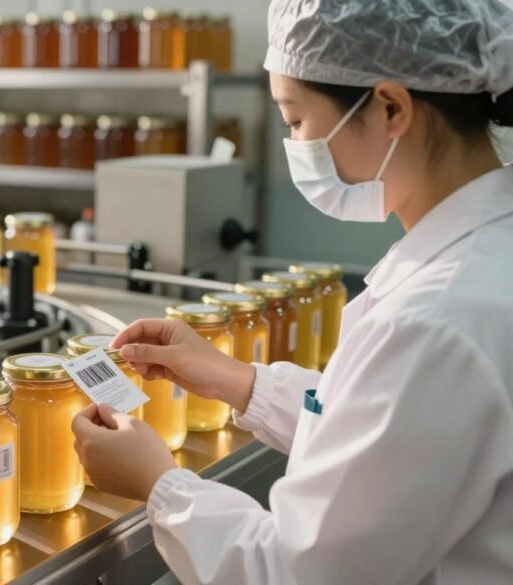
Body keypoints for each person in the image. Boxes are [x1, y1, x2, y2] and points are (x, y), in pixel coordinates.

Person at [71, 1, 513, 583]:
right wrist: (238, 381)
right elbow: (386, 440)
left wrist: (160, 484)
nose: (296, 143)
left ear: (390, 108)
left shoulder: (435, 320)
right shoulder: (476, 259)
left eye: (296, 120)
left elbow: (292, 571)